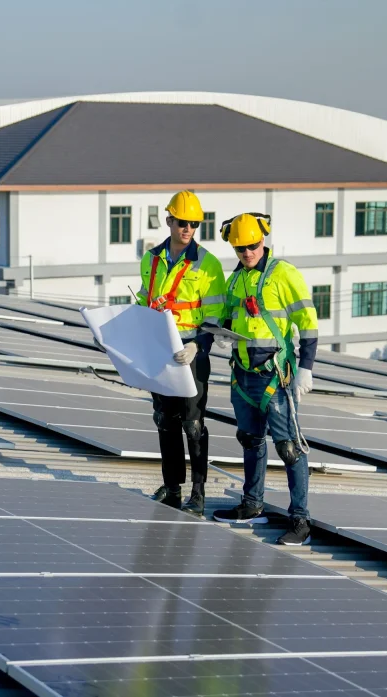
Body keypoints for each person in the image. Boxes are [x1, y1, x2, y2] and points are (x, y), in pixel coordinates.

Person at [211, 213, 318, 545]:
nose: (247, 253)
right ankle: (252, 503)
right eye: (241, 248)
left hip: (275, 375)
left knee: (289, 447)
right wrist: (219, 332)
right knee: (251, 440)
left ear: (264, 241)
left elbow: (308, 323)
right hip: (242, 375)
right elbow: (228, 315)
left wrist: (306, 367)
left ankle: (300, 519)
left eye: (253, 246)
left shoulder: (283, 274)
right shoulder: (236, 279)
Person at [135, 190, 226, 516]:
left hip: (191, 353)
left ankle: (198, 494)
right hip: (160, 349)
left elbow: (216, 317)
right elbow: (145, 299)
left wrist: (197, 345)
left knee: (193, 424)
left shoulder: (209, 264)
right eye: (182, 222)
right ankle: (172, 488)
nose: (188, 228)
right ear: (169, 220)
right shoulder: (151, 258)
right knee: (165, 421)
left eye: (194, 224)